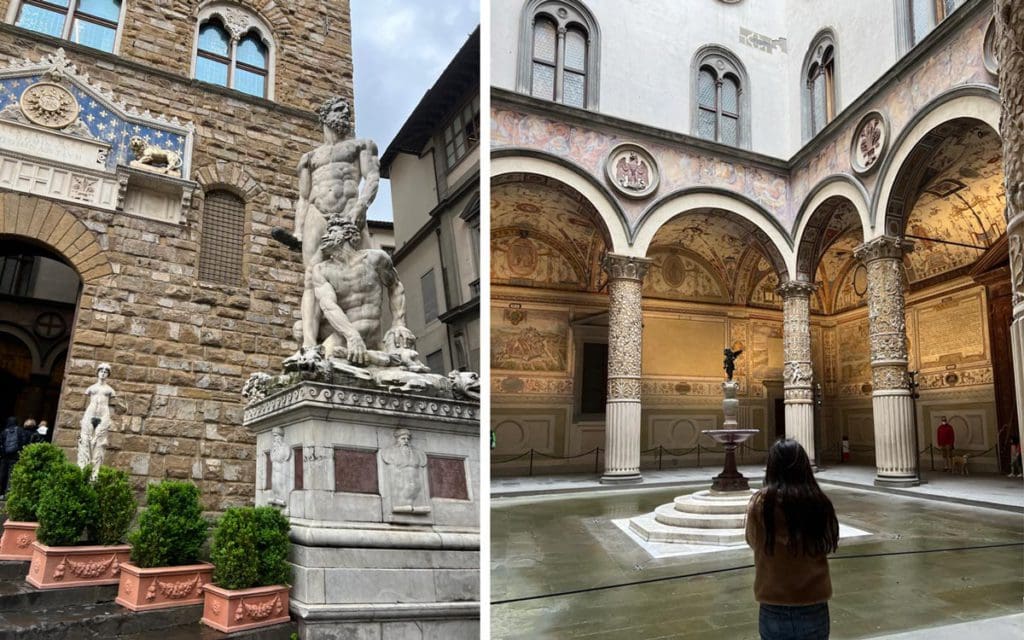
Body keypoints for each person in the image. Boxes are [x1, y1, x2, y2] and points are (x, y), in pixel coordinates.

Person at [273, 96, 380, 354]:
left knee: (363, 273)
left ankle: (362, 338)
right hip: (317, 215)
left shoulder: (361, 146)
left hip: (349, 211)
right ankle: (309, 345)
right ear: (325, 115)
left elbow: (373, 178)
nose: (345, 112)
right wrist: (298, 230)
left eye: (347, 109)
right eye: (338, 108)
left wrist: (360, 208)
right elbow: (302, 197)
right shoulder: (308, 158)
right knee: (312, 277)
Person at [746, 439, 839, 640]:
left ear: (771, 467)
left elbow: (752, 540)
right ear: (804, 466)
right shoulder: (818, 502)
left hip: (773, 601)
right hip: (813, 601)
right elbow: (828, 541)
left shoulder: (760, 505)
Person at [78, 362, 116, 480]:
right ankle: (83, 470)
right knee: (85, 440)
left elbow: (113, 405)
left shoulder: (110, 390)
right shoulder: (91, 388)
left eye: (106, 372)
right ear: (97, 373)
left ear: (108, 375)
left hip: (103, 415)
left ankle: (94, 475)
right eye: (101, 371)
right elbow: (84, 404)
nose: (103, 373)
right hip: (90, 413)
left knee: (99, 443)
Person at [0, 416, 28, 497]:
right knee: (12, 474)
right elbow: (24, 442)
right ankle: (8, 493)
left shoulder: (4, 432)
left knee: (2, 474)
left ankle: (1, 492)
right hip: (15, 457)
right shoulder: (20, 430)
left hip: (5, 457)